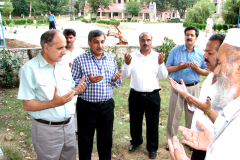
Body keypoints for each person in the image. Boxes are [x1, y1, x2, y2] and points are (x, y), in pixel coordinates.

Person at [168, 28, 240, 160]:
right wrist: (187, 96)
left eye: (220, 62)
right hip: (204, 142)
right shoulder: (210, 78)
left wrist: (208, 112)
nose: (204, 56)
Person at [17, 30, 87, 160]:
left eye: (65, 47)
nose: (64, 52)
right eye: (60, 48)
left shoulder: (63, 64)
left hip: (69, 126)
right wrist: (52, 103)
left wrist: (77, 90)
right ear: (46, 47)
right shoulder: (29, 69)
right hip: (46, 130)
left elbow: (68, 88)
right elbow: (27, 104)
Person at [71, 29, 122, 160]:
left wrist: (116, 79)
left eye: (102, 42)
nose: (100, 45)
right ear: (89, 43)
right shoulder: (79, 60)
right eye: (96, 42)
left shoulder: (111, 59)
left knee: (106, 142)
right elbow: (73, 82)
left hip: (107, 107)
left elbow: (116, 82)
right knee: (85, 141)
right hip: (86, 107)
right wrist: (88, 80)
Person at [121, 32, 168, 159]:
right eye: (143, 40)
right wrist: (126, 63)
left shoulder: (158, 56)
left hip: (152, 95)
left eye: (148, 40)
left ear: (151, 42)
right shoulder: (131, 56)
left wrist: (161, 63)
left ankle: (152, 148)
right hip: (135, 94)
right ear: (139, 41)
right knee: (135, 121)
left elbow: (164, 76)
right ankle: (136, 141)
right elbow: (125, 75)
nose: (145, 42)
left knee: (153, 122)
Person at [166, 25, 209, 150]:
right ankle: (171, 140)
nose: (189, 37)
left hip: (193, 88)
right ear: (184, 36)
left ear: (196, 38)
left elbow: (206, 72)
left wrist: (197, 69)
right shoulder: (175, 51)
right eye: (187, 35)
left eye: (192, 35)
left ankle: (190, 141)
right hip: (177, 87)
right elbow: (167, 68)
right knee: (174, 114)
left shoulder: (201, 53)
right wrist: (179, 67)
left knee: (192, 115)